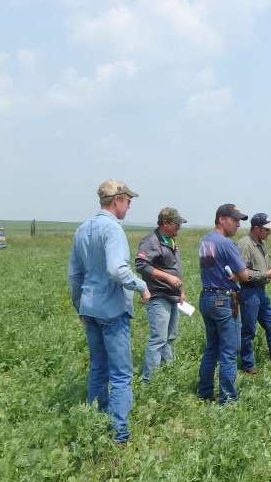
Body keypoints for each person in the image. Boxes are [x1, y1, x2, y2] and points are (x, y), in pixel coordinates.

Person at [67, 179, 150, 444]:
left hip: (89, 307)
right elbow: (116, 269)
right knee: (121, 374)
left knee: (98, 369)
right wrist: (141, 286)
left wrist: (79, 304)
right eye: (128, 201)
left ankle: (94, 424)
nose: (129, 206)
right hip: (112, 309)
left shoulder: (83, 230)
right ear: (117, 200)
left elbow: (74, 274)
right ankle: (118, 433)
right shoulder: (112, 230)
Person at [197, 204, 250, 404]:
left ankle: (204, 392)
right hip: (224, 300)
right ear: (221, 219)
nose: (237, 224)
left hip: (207, 297)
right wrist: (238, 275)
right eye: (234, 220)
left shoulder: (205, 240)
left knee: (211, 348)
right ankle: (228, 397)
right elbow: (244, 275)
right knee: (229, 351)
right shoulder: (226, 243)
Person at [136, 207, 186, 382]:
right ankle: (149, 380)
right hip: (158, 295)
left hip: (172, 295)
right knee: (158, 338)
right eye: (176, 224)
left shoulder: (171, 241)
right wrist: (167, 277)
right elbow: (141, 265)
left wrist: (181, 290)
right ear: (165, 223)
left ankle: (166, 374)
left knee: (170, 337)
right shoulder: (151, 241)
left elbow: (175, 269)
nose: (179, 227)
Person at [237, 213, 271, 373]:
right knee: (248, 330)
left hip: (261, 292)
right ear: (256, 228)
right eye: (266, 229)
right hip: (249, 292)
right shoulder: (245, 244)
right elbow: (241, 273)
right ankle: (247, 364)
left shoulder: (261, 243)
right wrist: (266, 274)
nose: (269, 232)